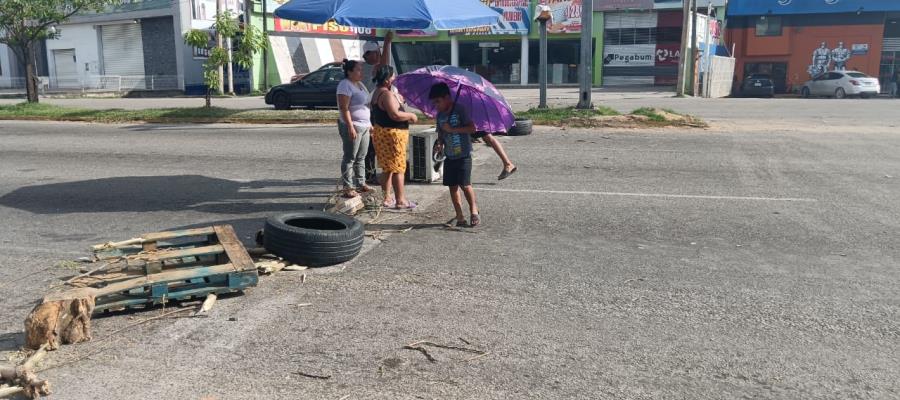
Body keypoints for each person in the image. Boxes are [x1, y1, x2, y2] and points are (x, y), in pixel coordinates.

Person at [431, 58, 517, 181]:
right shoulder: (447, 84)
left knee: (487, 138)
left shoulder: (450, 84)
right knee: (486, 138)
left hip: (467, 117)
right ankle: (507, 163)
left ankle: (508, 163)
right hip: (463, 116)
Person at [429, 83, 479, 227]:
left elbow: (472, 128)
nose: (436, 105)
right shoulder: (440, 115)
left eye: (438, 101)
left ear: (447, 98)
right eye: (434, 103)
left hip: (464, 155)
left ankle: (474, 210)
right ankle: (459, 215)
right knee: (452, 186)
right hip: (449, 156)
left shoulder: (459, 110)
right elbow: (441, 132)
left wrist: (453, 129)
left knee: (465, 184)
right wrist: (440, 143)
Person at [370, 65, 419, 209]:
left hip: (383, 133)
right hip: (392, 135)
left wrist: (398, 100)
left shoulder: (378, 92)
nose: (394, 78)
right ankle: (400, 200)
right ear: (386, 80)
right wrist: (411, 115)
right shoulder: (386, 94)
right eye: (392, 76)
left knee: (388, 167)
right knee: (398, 168)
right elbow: (395, 115)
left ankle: (386, 198)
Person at [335, 59, 372, 198]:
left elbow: (366, 104)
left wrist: (370, 124)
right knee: (350, 157)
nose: (361, 72)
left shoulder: (360, 84)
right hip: (353, 125)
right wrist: (350, 126)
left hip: (364, 125)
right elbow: (344, 108)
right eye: (358, 70)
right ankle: (348, 187)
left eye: (361, 70)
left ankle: (361, 183)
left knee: (361, 156)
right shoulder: (345, 85)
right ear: (349, 72)